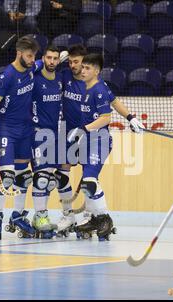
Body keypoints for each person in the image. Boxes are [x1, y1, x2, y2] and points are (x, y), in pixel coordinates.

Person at [53, 44, 144, 235]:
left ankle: (99, 218)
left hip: (93, 138)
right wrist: (52, 63)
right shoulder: (74, 80)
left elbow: (109, 111)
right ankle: (75, 216)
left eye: (82, 65)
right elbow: (41, 72)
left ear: (93, 68)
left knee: (89, 180)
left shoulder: (97, 87)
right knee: (69, 177)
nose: (76, 67)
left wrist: (130, 117)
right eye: (72, 63)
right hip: (74, 135)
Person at [0, 36, 41, 240]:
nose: (33, 60)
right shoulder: (6, 76)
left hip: (26, 130)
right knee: (6, 177)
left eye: (34, 56)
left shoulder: (32, 68)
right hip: (6, 130)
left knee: (24, 177)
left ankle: (17, 216)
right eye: (29, 56)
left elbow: (45, 63)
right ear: (19, 53)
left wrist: (62, 57)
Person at [67, 53, 116, 240]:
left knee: (89, 181)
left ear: (97, 71)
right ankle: (95, 218)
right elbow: (116, 101)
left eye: (87, 68)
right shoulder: (88, 88)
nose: (83, 70)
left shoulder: (99, 90)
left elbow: (106, 118)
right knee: (89, 183)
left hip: (99, 141)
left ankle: (104, 218)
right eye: (83, 67)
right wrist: (130, 117)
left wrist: (82, 130)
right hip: (88, 141)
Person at [29, 44, 63, 233]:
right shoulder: (34, 78)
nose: (51, 62)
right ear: (43, 58)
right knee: (41, 178)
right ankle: (41, 216)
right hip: (37, 132)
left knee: (49, 180)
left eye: (55, 58)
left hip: (54, 134)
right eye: (48, 58)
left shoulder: (60, 78)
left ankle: (39, 215)